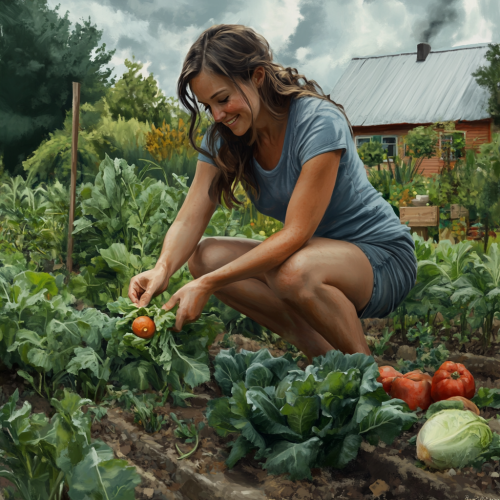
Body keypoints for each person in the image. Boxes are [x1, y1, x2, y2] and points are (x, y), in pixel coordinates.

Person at [128, 24, 417, 363]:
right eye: (209, 106)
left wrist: (206, 285)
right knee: (206, 257)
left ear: (258, 76)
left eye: (223, 99)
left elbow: (296, 234)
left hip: (379, 258)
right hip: (312, 258)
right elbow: (190, 216)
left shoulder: (317, 122)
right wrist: (163, 269)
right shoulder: (224, 139)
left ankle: (367, 377)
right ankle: (321, 356)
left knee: (291, 271)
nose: (218, 115)